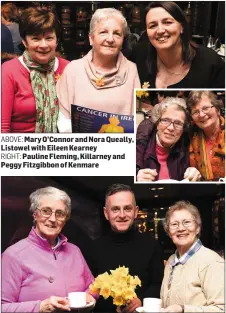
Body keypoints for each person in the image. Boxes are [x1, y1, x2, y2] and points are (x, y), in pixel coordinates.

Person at [2, 187, 96, 312]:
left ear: (65, 219)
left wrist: (90, 295)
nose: (52, 219)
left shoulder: (74, 251)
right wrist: (40, 307)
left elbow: (93, 286)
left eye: (60, 213)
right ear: (35, 214)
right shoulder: (13, 255)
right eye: (46, 211)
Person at [56, 8, 140, 133]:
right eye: (103, 32)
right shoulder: (73, 70)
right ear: (91, 38)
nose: (110, 39)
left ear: (122, 41)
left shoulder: (131, 70)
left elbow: (137, 119)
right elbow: (64, 119)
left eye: (117, 33)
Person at [88, 184, 164, 313]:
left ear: (135, 211)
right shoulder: (93, 248)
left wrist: (141, 300)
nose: (122, 215)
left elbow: (158, 283)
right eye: (115, 209)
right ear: (106, 213)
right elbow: (88, 288)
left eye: (127, 208)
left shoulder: (151, 245)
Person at [1, 6, 69, 133]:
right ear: (25, 42)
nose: (43, 45)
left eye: (49, 38)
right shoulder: (7, 71)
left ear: (57, 41)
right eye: (36, 38)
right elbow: (2, 126)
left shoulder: (68, 68)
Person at [130, 2, 225, 88]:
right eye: (152, 25)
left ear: (182, 27)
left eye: (167, 22)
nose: (160, 31)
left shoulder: (210, 63)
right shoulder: (138, 54)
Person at [161, 201, 224, 312]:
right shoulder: (171, 261)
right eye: (174, 224)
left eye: (187, 222)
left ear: (197, 228)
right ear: (169, 232)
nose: (181, 228)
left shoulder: (212, 261)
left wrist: (183, 309)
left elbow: (221, 309)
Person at [136, 97, 201, 182]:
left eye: (178, 123)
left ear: (183, 128)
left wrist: (195, 175)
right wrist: (135, 177)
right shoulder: (140, 145)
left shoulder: (187, 146)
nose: (171, 128)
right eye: (166, 120)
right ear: (157, 122)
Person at [187, 91, 225, 181]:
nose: (201, 114)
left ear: (217, 110)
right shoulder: (190, 137)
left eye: (206, 108)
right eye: (195, 112)